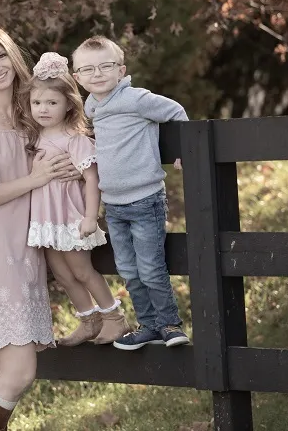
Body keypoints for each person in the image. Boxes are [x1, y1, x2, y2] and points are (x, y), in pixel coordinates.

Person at [0, 23, 76, 430]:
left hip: (30, 247)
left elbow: (68, 140)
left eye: (1, 56)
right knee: (20, 371)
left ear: (12, 55)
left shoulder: (32, 111)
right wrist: (36, 179)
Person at [72, 35, 191, 351]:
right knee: (127, 269)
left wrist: (185, 149)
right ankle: (148, 325)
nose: (97, 74)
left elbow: (175, 110)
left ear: (121, 69)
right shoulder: (93, 107)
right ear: (78, 77)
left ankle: (169, 324)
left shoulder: (136, 99)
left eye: (105, 66)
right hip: (113, 204)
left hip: (145, 198)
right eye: (88, 69)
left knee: (151, 267)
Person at [23, 52, 132, 347]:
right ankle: (88, 319)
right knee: (62, 274)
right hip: (46, 220)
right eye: (37, 102)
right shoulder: (33, 138)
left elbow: (93, 178)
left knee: (82, 270)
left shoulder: (75, 139)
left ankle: (115, 317)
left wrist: (89, 217)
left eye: (51, 102)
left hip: (71, 217)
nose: (43, 109)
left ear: (68, 104)